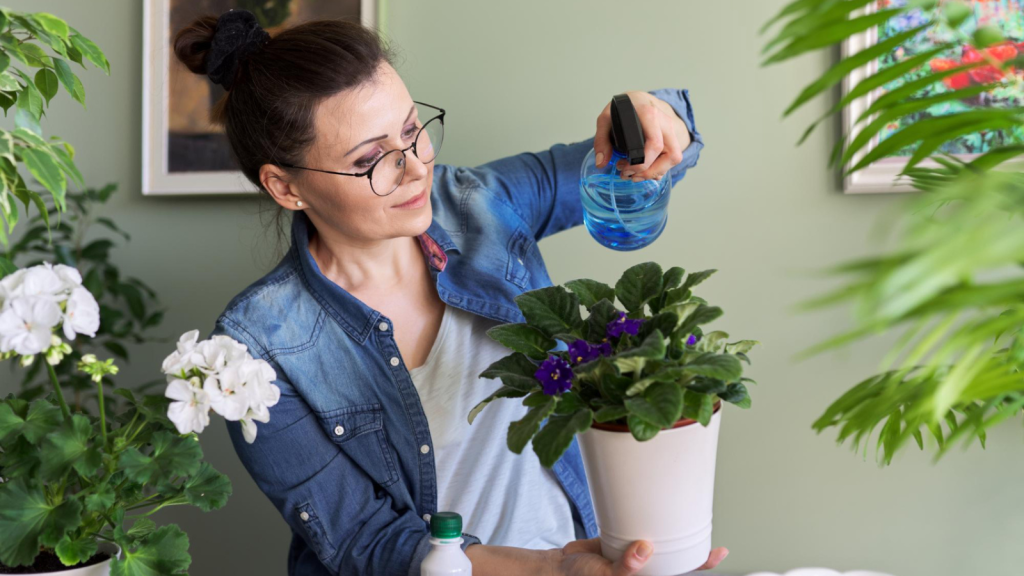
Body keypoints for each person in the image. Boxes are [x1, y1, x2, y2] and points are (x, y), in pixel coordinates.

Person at [175, 9, 722, 576]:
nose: (416, 170)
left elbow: (650, 158)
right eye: (371, 160)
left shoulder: (480, 202)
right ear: (285, 186)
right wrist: (550, 569)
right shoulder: (251, 352)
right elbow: (367, 541)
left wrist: (651, 114)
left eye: (412, 131)